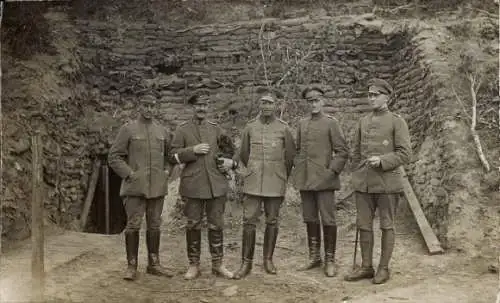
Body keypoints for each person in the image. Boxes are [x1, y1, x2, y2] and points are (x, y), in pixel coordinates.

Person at [344, 78, 411, 284]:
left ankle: (383, 268)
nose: (371, 98)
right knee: (364, 225)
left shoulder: (396, 121)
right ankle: (366, 267)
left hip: (387, 184)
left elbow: (405, 154)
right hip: (363, 184)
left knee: (386, 225)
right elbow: (355, 152)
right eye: (369, 95)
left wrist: (382, 160)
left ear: (387, 97)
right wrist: (355, 173)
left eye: (376, 95)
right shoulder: (363, 121)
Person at [169, 90, 236, 280]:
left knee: (216, 225)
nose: (201, 108)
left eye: (205, 105)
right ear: (193, 107)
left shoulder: (216, 129)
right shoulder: (182, 130)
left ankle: (218, 264)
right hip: (193, 185)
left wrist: (227, 164)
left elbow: (230, 150)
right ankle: (194, 265)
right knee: (193, 225)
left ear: (208, 107)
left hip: (216, 184)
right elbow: (172, 156)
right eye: (198, 105)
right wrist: (192, 150)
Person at [108, 94, 173, 281]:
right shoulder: (128, 129)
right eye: (145, 105)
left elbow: (171, 156)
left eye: (153, 106)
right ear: (139, 106)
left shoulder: (162, 131)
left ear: (156, 107)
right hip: (135, 188)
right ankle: (132, 266)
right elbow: (114, 157)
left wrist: (167, 172)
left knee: (154, 225)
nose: (149, 109)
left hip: (157, 189)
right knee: (133, 225)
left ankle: (154, 264)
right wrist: (129, 174)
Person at [233, 89, 296, 279]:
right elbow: (243, 153)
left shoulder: (284, 128)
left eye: (270, 103)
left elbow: (290, 157)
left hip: (275, 180)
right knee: (249, 220)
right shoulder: (250, 127)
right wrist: (251, 169)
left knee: (272, 220)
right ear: (259, 105)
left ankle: (268, 259)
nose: (266, 106)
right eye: (263, 102)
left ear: (276, 105)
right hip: (253, 181)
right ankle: (246, 263)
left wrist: (280, 174)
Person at [290, 86, 349, 277]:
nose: (313, 104)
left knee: (328, 219)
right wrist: (298, 172)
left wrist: (331, 172)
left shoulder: (331, 123)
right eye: (310, 101)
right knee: (309, 218)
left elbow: (342, 152)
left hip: (324, 181)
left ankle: (330, 259)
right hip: (306, 180)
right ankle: (314, 256)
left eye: (316, 100)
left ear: (322, 101)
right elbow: (298, 150)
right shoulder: (302, 124)